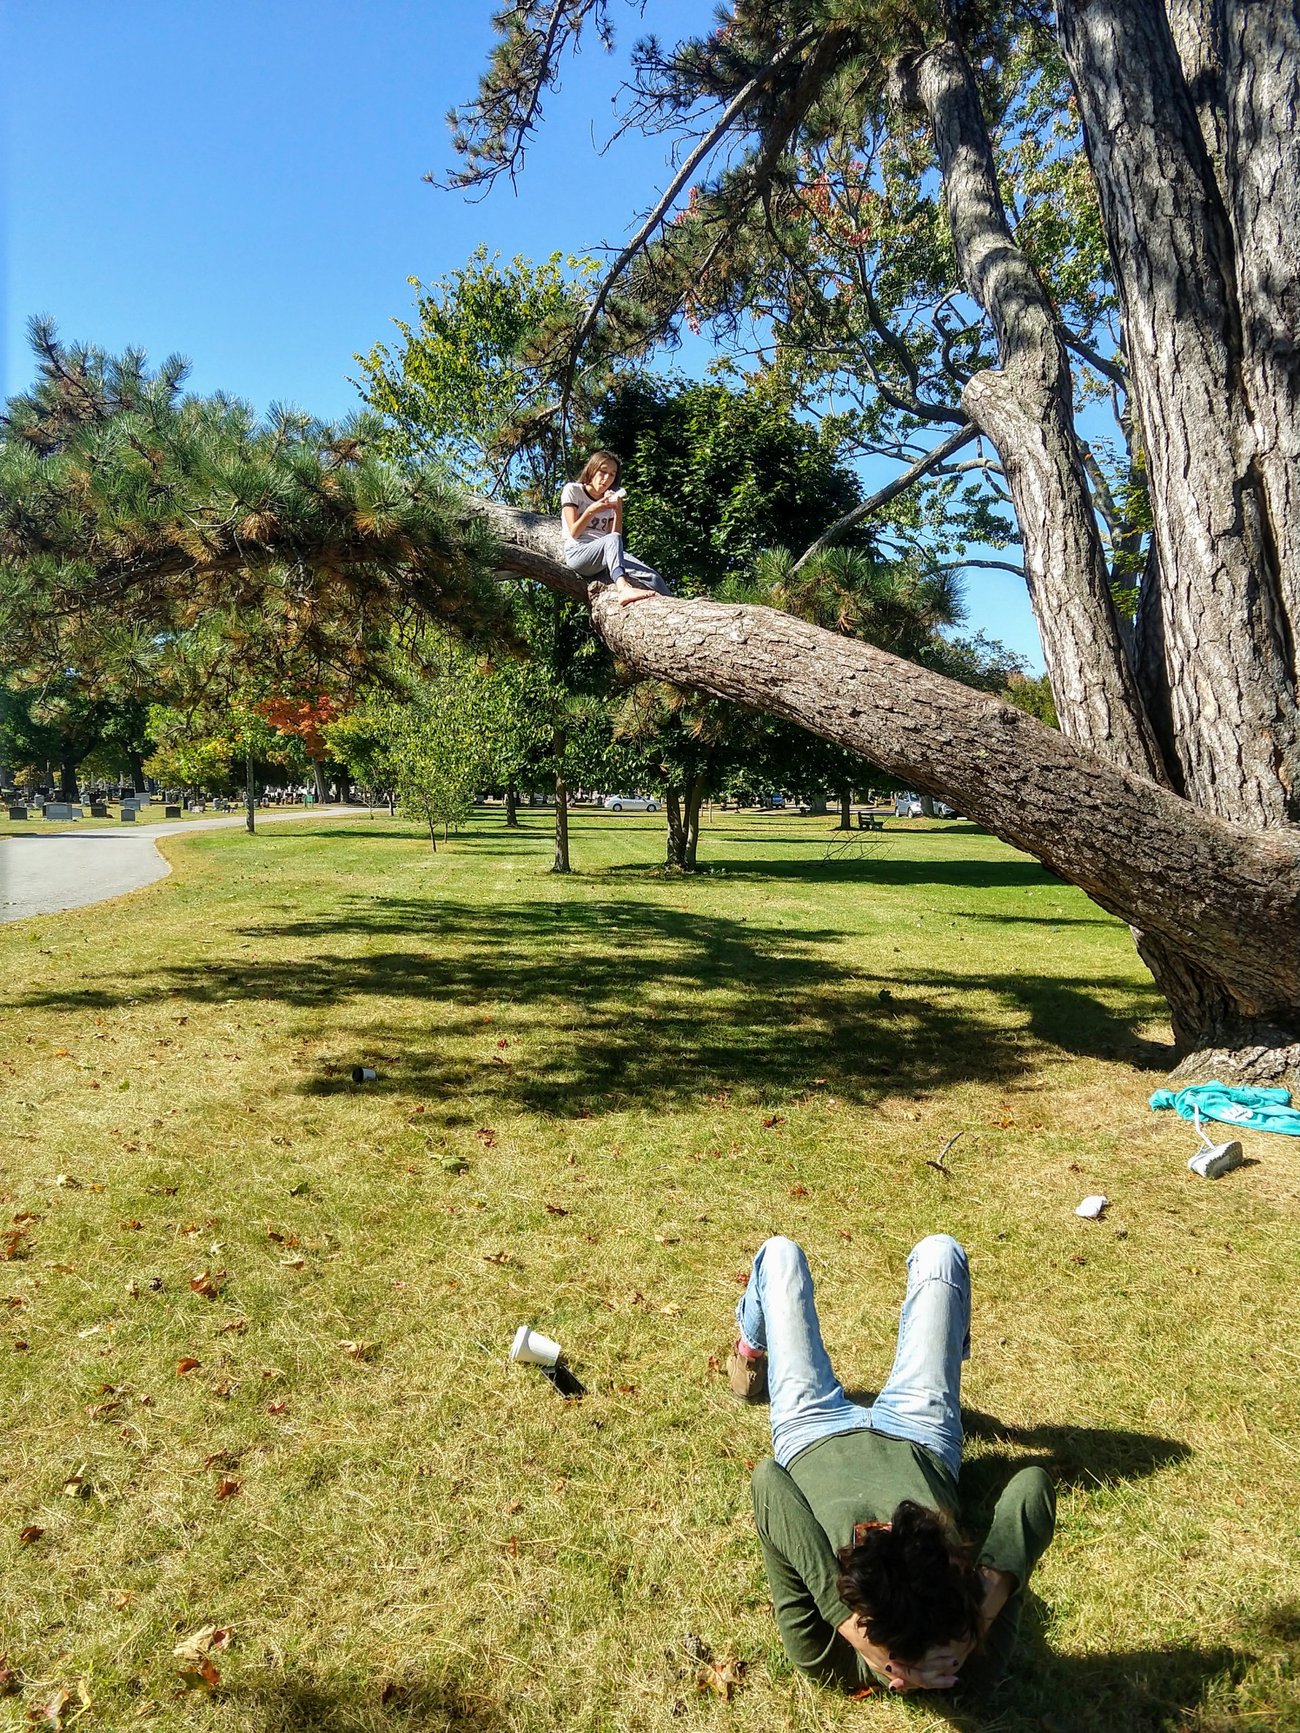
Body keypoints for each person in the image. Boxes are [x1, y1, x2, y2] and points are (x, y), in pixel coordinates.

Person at [729, 1234, 1055, 1694]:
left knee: (781, 1255)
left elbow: (768, 1481)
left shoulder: (825, 1656)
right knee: (942, 1253)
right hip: (921, 1433)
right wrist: (976, 1621)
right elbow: (1032, 1487)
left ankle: (750, 1350)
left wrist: (845, 1624)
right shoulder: (975, 1656)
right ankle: (942, 1361)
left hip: (810, 1430)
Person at [560, 450, 668, 605]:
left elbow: (615, 536)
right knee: (611, 539)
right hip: (579, 553)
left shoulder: (609, 498)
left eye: (612, 474)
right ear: (592, 470)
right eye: (603, 472)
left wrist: (618, 509)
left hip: (605, 554)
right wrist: (593, 509)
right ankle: (623, 588)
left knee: (653, 577)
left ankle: (674, 605)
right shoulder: (573, 490)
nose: (606, 478)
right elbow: (574, 532)